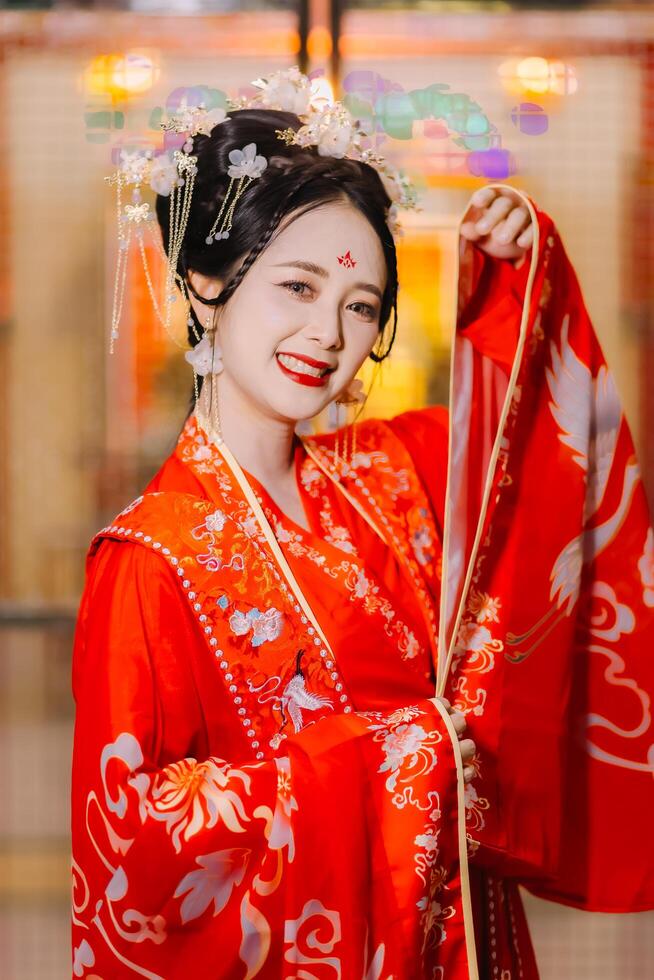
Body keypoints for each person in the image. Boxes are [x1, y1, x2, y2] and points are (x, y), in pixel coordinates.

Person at [71, 68, 654, 979]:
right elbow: (134, 848)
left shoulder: (383, 476)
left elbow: (535, 444)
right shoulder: (150, 558)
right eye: (297, 288)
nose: (329, 336)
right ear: (204, 282)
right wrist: (392, 760)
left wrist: (520, 269)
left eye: (361, 306)